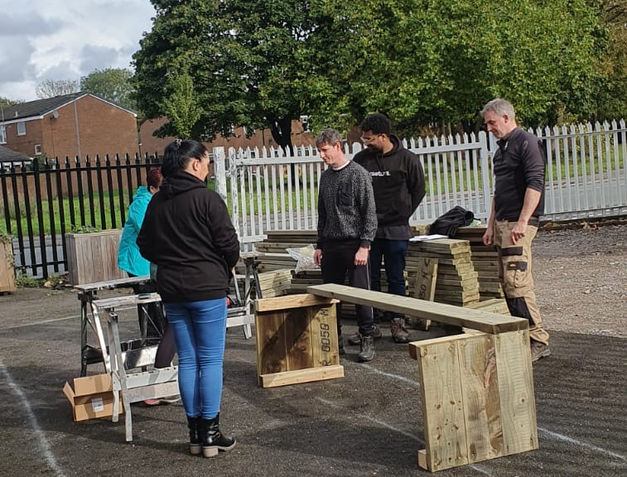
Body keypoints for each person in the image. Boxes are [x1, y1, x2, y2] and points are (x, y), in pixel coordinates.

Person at [137, 139, 240, 457]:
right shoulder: (207, 199)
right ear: (194, 164)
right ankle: (210, 433)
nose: (208, 167)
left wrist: (170, 259)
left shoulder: (158, 201)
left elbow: (145, 245)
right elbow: (229, 244)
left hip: (173, 290)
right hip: (206, 288)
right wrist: (222, 265)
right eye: (206, 161)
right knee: (209, 360)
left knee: (188, 359)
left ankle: (196, 434)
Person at [480, 98, 550, 363]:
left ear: (507, 117)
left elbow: (535, 183)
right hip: (502, 223)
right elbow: (498, 192)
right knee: (506, 282)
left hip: (518, 225)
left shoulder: (527, 143)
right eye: (487, 124)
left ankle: (537, 339)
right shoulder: (501, 150)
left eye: (492, 123)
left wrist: (523, 221)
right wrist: (490, 225)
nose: (489, 128)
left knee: (517, 281)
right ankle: (523, 336)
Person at [352, 113, 425, 344]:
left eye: (370, 138)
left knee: (396, 277)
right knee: (369, 278)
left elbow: (419, 190)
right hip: (369, 232)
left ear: (383, 136)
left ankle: (397, 322)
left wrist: (403, 213)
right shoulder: (361, 160)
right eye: (364, 139)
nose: (366, 143)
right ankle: (371, 325)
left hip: (396, 230)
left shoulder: (407, 159)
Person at [313, 128, 378, 362]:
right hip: (331, 244)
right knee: (331, 296)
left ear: (337, 146)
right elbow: (322, 214)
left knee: (361, 294)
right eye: (319, 151)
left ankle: (367, 337)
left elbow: (369, 213)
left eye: (325, 150)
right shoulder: (325, 178)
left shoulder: (358, 175)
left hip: (354, 244)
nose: (322, 155)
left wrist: (365, 245)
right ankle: (334, 340)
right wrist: (320, 245)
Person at [118, 168, 167, 340]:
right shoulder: (140, 204)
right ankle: (152, 337)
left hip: (152, 258)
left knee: (156, 298)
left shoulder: (159, 201)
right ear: (152, 188)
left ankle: (159, 334)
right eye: (162, 188)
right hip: (138, 260)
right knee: (147, 298)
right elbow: (148, 231)